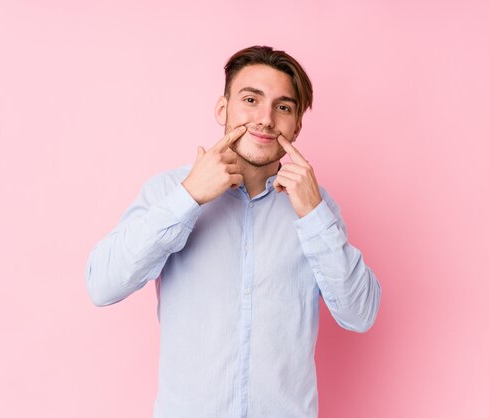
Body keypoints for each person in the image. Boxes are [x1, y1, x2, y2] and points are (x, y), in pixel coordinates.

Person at [85, 45, 381, 418]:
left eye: (283, 107)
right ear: (223, 109)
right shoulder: (169, 191)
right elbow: (103, 285)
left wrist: (314, 214)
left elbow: (361, 314)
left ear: (297, 126)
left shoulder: (316, 206)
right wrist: (189, 196)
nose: (265, 119)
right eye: (251, 100)